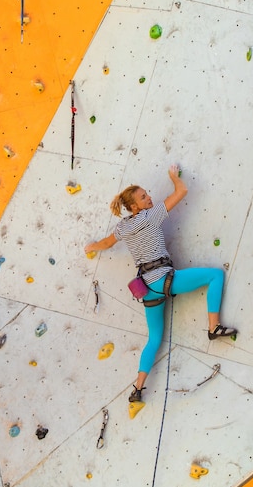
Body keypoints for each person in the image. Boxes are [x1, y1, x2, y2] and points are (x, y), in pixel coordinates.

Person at [84, 164, 237, 404]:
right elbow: (182, 191)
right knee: (215, 275)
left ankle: (137, 388)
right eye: (144, 197)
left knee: (154, 338)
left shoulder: (123, 227)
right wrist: (174, 177)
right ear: (134, 206)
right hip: (167, 279)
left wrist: (90, 246)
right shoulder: (150, 215)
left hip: (148, 290)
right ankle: (213, 327)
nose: (149, 198)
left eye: (147, 194)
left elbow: (105, 244)